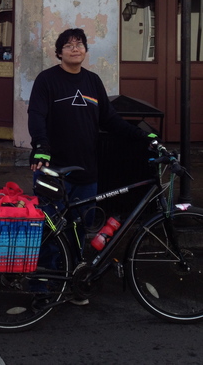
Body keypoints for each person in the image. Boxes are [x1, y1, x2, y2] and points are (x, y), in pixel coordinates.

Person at [28, 28, 155, 303]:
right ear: (59, 52)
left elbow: (110, 120)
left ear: (86, 50)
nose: (75, 48)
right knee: (50, 232)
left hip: (87, 171)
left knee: (78, 232)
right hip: (53, 171)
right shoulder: (47, 80)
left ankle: (73, 284)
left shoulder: (93, 81)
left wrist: (142, 136)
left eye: (80, 44)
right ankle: (41, 288)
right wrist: (41, 148)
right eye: (68, 45)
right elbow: (36, 116)